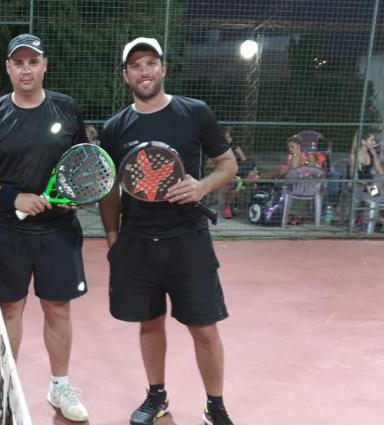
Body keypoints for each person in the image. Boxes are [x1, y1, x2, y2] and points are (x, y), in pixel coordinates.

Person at [98, 37, 238, 425]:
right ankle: (156, 396)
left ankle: (215, 406)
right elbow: (109, 188)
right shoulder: (114, 128)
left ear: (163, 68)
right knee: (149, 324)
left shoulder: (194, 112)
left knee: (204, 329)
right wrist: (113, 238)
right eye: (135, 65)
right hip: (138, 242)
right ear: (126, 75)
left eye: (150, 63)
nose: (144, 71)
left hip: (188, 239)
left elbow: (227, 164)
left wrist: (201, 187)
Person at [0, 34, 90, 422]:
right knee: (10, 309)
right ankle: (6, 384)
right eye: (18, 63)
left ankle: (60, 385)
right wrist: (12, 198)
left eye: (33, 62)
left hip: (58, 231)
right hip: (5, 231)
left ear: (44, 65)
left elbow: (80, 164)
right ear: (8, 68)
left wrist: (73, 194)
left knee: (58, 308)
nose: (26, 69)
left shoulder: (67, 109)